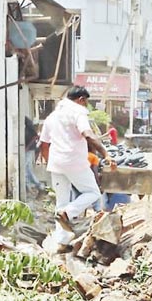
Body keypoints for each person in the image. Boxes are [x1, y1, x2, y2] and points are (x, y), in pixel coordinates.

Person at [39, 86, 113, 247]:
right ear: (81, 100)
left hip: (56, 164)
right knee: (93, 193)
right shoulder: (78, 112)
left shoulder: (52, 117)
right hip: (74, 162)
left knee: (61, 203)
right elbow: (87, 134)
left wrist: (49, 163)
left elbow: (44, 144)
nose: (85, 105)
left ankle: (61, 242)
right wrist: (104, 153)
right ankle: (68, 213)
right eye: (85, 102)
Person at [24, 116, 44, 194]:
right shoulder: (28, 130)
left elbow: (34, 138)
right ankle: (29, 187)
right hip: (28, 149)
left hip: (28, 149)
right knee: (26, 168)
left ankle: (38, 185)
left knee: (26, 169)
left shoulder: (30, 131)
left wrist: (27, 148)